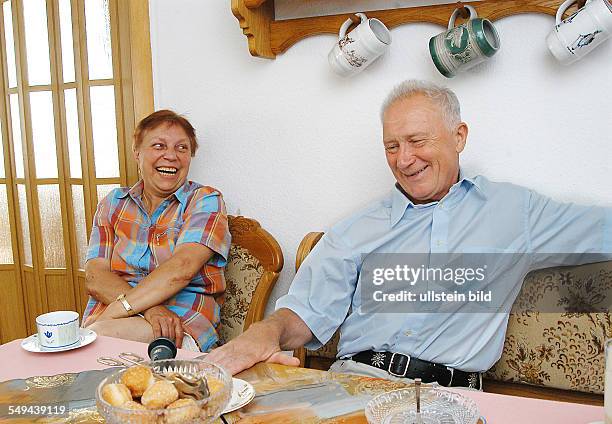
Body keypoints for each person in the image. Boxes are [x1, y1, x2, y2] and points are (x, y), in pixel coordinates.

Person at [206, 80, 612, 386]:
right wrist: (264, 333)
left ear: (459, 136)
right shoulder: (357, 228)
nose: (404, 159)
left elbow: (603, 230)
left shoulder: (514, 213)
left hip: (450, 399)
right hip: (353, 385)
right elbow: (306, 313)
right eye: (391, 146)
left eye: (417, 140)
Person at [83, 110, 231, 352]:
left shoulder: (205, 200)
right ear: (137, 153)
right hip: (113, 316)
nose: (171, 156)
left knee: (95, 340)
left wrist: (121, 310)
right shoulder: (112, 203)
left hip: (178, 323)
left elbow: (181, 269)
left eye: (182, 148)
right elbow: (95, 276)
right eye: (159, 146)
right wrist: (148, 309)